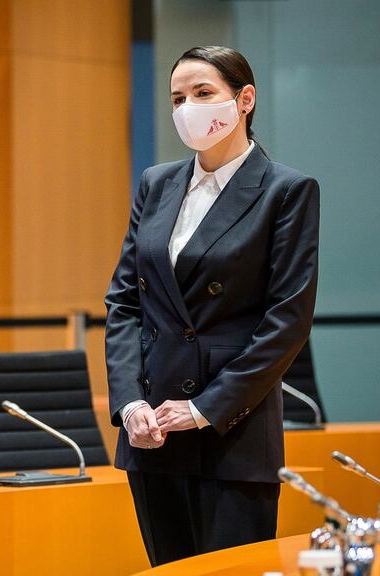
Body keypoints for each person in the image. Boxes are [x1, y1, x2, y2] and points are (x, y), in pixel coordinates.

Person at [105, 45, 319, 566]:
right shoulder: (156, 183)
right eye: (178, 97)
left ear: (244, 100)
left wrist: (204, 408)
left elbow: (287, 320)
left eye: (204, 93)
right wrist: (130, 403)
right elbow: (125, 303)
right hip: (153, 433)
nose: (188, 109)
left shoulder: (285, 190)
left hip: (230, 435)